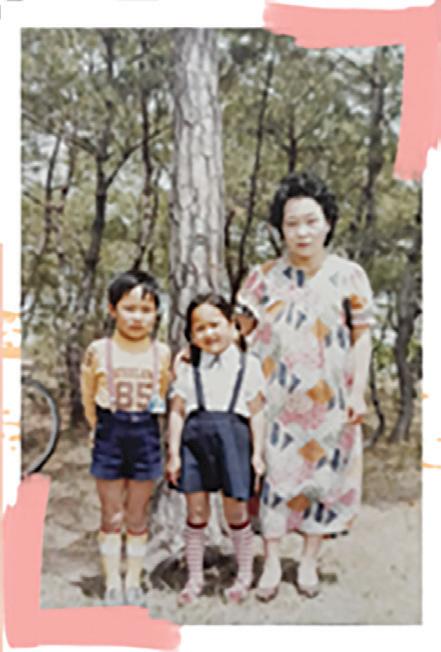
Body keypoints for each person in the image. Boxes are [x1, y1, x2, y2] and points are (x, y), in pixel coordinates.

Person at [237, 172, 373, 600]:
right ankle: (272, 562)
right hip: (274, 404)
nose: (302, 232)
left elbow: (362, 335)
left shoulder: (349, 276)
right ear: (280, 228)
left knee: (323, 479)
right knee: (273, 479)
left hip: (330, 401)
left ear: (327, 223)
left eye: (311, 221)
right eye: (292, 223)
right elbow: (236, 332)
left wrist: (357, 391)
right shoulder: (262, 278)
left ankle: (310, 560)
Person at [167, 293, 266, 605]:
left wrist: (257, 455)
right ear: (191, 335)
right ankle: (194, 578)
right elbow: (177, 411)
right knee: (196, 511)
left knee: (235, 510)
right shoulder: (188, 367)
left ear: (232, 325)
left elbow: (257, 412)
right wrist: (173, 454)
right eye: (200, 329)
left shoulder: (248, 365)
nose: (209, 333)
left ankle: (244, 575)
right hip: (195, 441)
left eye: (215, 325)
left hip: (234, 439)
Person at [80, 270, 170, 606]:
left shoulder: (161, 352)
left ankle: (133, 580)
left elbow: (163, 391)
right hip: (110, 434)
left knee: (137, 515)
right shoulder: (98, 350)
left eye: (146, 310)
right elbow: (88, 396)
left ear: (156, 314)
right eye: (129, 308)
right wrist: (97, 428)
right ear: (112, 309)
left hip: (145, 433)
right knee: (112, 514)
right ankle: (112, 582)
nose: (137, 317)